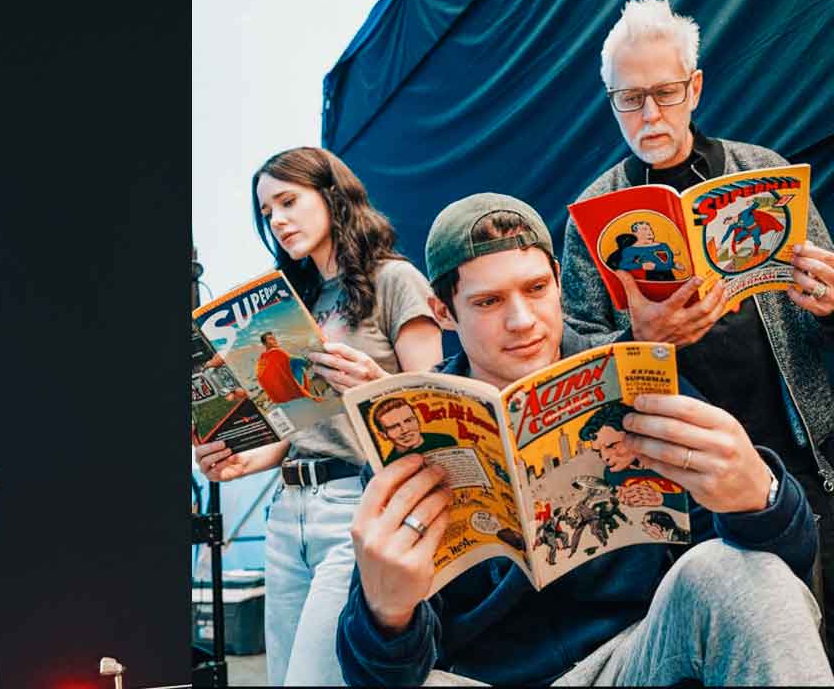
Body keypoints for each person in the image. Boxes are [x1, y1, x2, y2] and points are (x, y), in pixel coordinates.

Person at [335, 193, 829, 685]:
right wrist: (386, 612)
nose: (522, 321)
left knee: (737, 573)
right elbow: (375, 672)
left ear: (557, 280)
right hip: (487, 676)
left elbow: (782, 567)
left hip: (636, 660)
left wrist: (759, 500)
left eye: (535, 288)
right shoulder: (408, 436)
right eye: (488, 302)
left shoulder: (636, 375)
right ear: (443, 312)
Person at [560, 0, 834, 648]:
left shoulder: (762, 170)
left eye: (664, 91)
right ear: (610, 99)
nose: (649, 113)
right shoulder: (591, 214)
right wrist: (641, 341)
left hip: (801, 455)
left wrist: (831, 303)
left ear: (696, 87)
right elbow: (576, 367)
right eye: (629, 98)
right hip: (675, 480)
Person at [193, 146, 442, 685]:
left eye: (288, 201)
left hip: (357, 504)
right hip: (286, 514)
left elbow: (436, 412)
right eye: (266, 212)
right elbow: (299, 424)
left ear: (331, 195)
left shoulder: (395, 281)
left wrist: (376, 385)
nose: (277, 220)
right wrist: (239, 461)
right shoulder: (293, 300)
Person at [371, 397, 456, 465]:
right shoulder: (389, 466)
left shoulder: (446, 441)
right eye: (394, 427)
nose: (405, 430)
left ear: (417, 420)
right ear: (383, 435)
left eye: (408, 421)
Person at [254, 331, 324, 404]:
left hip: (278, 390)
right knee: (298, 364)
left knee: (296, 363)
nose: (274, 340)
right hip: (286, 387)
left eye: (274, 338)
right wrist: (306, 362)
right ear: (265, 343)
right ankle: (313, 368)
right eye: (271, 339)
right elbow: (294, 359)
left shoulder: (263, 357)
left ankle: (312, 367)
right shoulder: (275, 352)